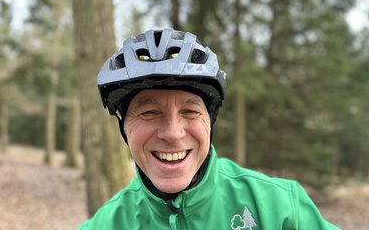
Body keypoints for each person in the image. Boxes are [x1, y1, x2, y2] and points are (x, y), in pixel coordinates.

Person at [78, 28, 339, 230]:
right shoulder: (105, 225)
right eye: (149, 112)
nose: (172, 133)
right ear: (124, 126)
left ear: (210, 121)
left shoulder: (280, 209)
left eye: (190, 111)